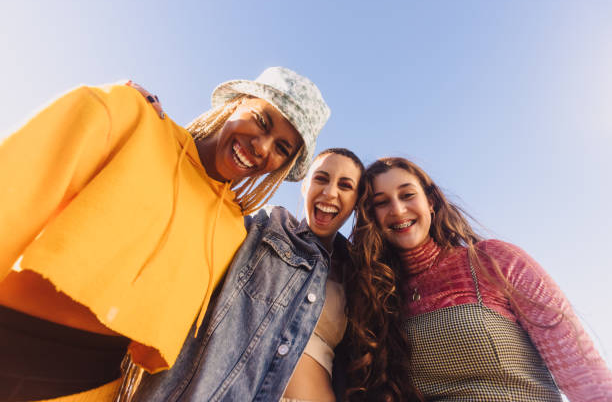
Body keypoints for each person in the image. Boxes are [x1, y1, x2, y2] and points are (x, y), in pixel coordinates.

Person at [0, 66, 330, 401]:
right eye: (262, 120)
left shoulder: (233, 231)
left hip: (91, 388)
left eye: (282, 148)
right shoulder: (131, 117)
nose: (262, 147)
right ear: (237, 103)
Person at [127, 148, 417, 402]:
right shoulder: (267, 227)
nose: (330, 192)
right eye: (321, 178)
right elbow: (198, 215)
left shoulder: (358, 270)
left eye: (345, 185)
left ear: (356, 201)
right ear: (304, 186)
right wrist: (163, 131)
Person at [351, 156, 612, 401]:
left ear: (430, 202)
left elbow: (580, 368)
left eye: (407, 195)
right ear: (371, 216)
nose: (397, 209)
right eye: (381, 202)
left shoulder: (494, 260)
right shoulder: (378, 296)